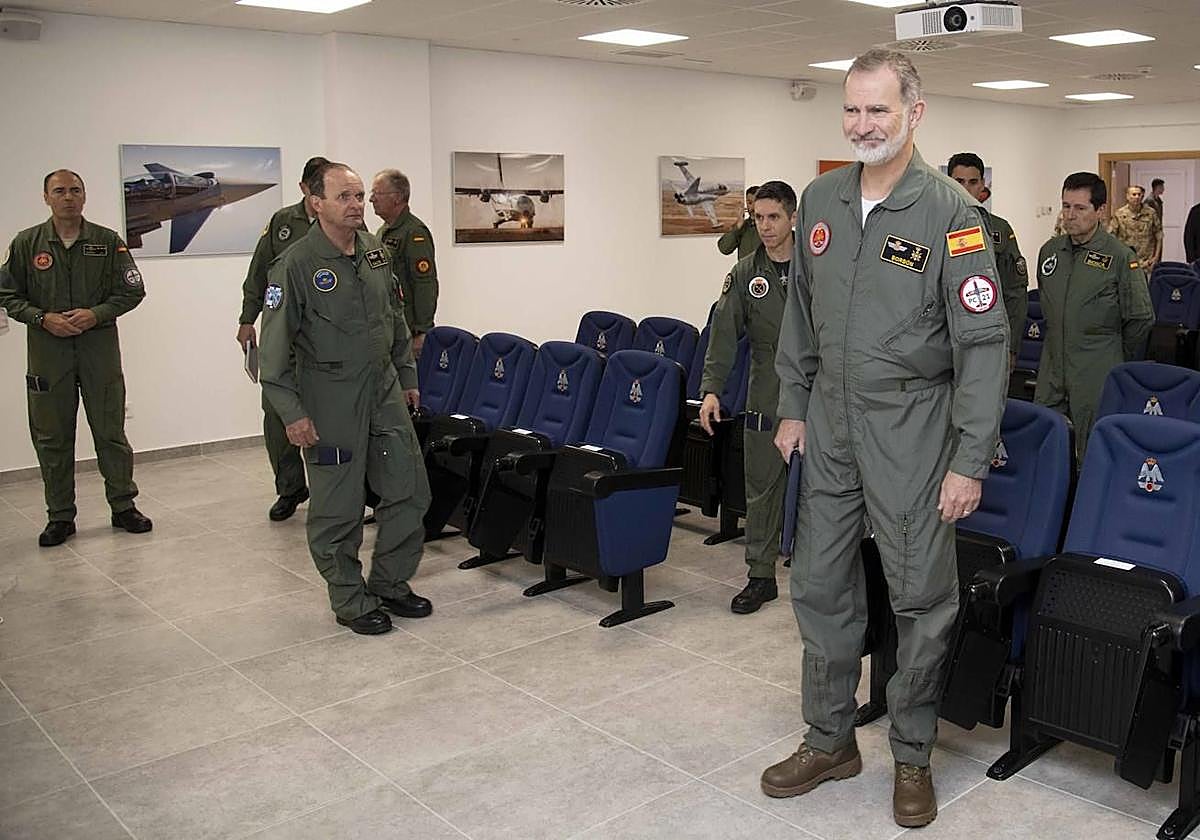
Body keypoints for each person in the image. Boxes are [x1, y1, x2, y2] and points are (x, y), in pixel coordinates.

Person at [762, 49, 1008, 828]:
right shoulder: (822, 198)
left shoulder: (950, 214)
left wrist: (969, 459)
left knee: (920, 600)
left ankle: (911, 754)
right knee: (820, 588)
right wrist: (793, 405)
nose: (862, 124)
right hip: (830, 425)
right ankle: (830, 738)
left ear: (914, 114)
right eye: (852, 109)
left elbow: (983, 344)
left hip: (911, 427)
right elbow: (800, 311)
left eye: (878, 109)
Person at [259, 162, 432, 635]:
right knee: (338, 507)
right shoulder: (294, 265)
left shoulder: (375, 252)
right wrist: (292, 414)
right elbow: (271, 358)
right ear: (317, 204)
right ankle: (350, 600)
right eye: (345, 197)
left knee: (410, 490)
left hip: (384, 389)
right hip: (329, 397)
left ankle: (391, 582)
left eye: (360, 197)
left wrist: (406, 375)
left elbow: (394, 318)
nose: (357, 206)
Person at [0, 170, 153, 546]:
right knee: (52, 438)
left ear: (84, 196)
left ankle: (123, 506)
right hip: (47, 355)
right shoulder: (26, 243)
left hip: (98, 351)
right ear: (46, 197)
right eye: (60, 191)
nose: (68, 197)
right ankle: (60, 517)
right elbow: (6, 293)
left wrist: (96, 313)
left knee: (111, 434)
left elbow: (132, 291)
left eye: (75, 190)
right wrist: (41, 318)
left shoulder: (106, 241)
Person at [699, 180, 795, 615]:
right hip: (766, 394)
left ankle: (829, 579)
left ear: (792, 218)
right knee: (761, 491)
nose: (766, 226)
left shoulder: (819, 269)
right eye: (759, 217)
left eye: (774, 217)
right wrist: (711, 390)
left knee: (828, 493)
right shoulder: (744, 274)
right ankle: (760, 576)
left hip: (819, 394)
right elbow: (722, 336)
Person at [1035, 172, 1153, 463]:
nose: (1069, 216)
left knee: (1090, 453)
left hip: (1095, 369)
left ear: (1100, 211)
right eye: (1066, 206)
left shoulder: (1120, 257)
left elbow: (1141, 318)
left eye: (1079, 208)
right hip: (1052, 368)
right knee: (1045, 446)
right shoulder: (1050, 252)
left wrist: (1113, 354)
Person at [237, 155, 328, 522]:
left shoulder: (343, 221)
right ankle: (290, 488)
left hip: (324, 340)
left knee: (325, 418)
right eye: (317, 187)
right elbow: (258, 272)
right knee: (277, 416)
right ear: (305, 188)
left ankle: (328, 491)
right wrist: (247, 319)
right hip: (282, 336)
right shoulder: (281, 223)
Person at [948, 152, 1028, 365]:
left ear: (982, 185)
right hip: (942, 339)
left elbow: (1015, 293)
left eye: (973, 182)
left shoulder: (999, 230)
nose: (965, 189)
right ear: (947, 182)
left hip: (986, 338)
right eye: (959, 182)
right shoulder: (931, 226)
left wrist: (1012, 348)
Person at [370, 169, 437, 359]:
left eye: (377, 193)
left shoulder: (414, 233)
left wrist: (422, 331)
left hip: (408, 328)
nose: (371, 199)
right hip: (389, 326)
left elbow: (425, 283)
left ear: (397, 197)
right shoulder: (384, 231)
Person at [1108, 184, 1162, 277]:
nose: (1137, 197)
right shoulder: (1119, 214)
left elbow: (1159, 236)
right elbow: (1111, 237)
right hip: (1126, 260)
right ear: (1127, 196)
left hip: (1146, 261)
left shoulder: (1151, 213)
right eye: (1133, 194)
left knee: (1145, 289)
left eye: (1139, 194)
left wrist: (1156, 258)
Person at [717, 185, 762, 259]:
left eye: (756, 203)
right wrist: (737, 227)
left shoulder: (769, 225)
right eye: (750, 203)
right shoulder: (742, 226)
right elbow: (724, 249)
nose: (752, 208)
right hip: (745, 270)